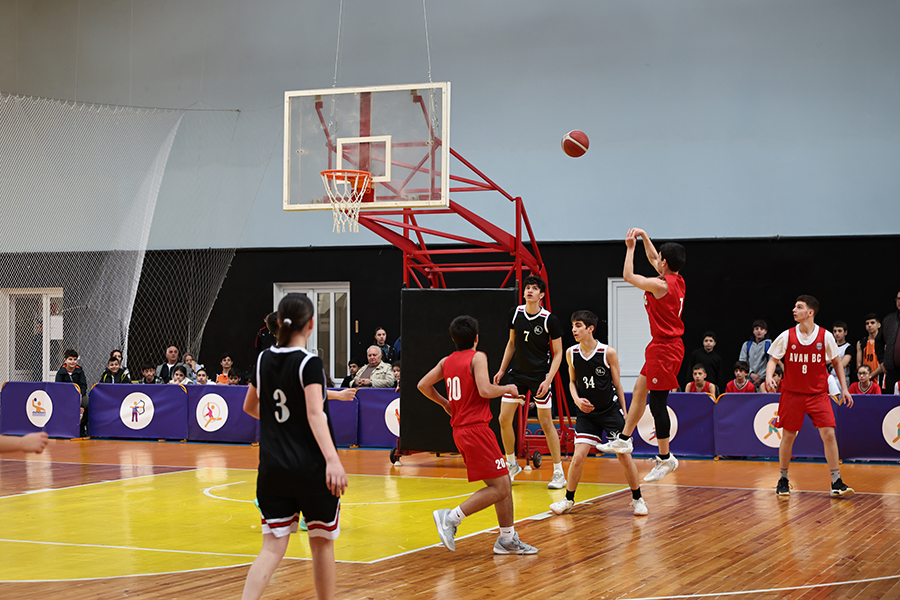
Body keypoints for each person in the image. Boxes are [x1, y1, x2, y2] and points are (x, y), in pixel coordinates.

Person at [241, 293, 347, 600]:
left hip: (273, 468)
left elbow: (249, 407)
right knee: (321, 543)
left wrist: (280, 424)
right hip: (311, 468)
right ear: (311, 324)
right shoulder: (309, 363)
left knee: (271, 548)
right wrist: (333, 460)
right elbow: (315, 414)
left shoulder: (263, 360)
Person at [419, 315, 538, 555]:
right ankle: (451, 518)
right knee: (501, 488)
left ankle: (507, 539)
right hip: (476, 430)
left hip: (463, 430)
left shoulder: (446, 361)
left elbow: (423, 385)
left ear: (453, 338)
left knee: (503, 483)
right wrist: (507, 388)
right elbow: (485, 390)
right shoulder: (478, 357)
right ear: (476, 338)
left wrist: (445, 403)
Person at [597, 229, 686, 485]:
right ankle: (624, 440)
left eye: (660, 258)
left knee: (657, 403)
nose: (656, 259)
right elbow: (653, 258)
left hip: (666, 349)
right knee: (638, 392)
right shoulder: (677, 280)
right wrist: (645, 236)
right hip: (660, 346)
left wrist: (630, 247)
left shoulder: (660, 285)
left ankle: (665, 458)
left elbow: (628, 276)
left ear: (665, 262)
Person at [550, 311, 647, 517]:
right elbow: (572, 382)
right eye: (573, 326)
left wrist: (625, 414)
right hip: (587, 414)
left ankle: (638, 499)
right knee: (578, 457)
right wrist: (576, 400)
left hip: (610, 411)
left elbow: (618, 385)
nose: (574, 329)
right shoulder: (571, 353)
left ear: (590, 328)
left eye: (578, 325)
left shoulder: (607, 352)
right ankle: (568, 500)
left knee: (624, 457)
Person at [767, 295, 854, 497]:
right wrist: (769, 376)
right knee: (788, 436)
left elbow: (837, 363)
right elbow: (773, 359)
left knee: (829, 434)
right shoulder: (787, 335)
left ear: (810, 312)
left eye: (799, 307)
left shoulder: (825, 336)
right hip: (792, 394)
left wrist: (844, 388)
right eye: (794, 306)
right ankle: (783, 479)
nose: (794, 310)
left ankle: (836, 481)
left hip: (818, 395)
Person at [493, 275, 566, 489]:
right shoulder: (515, 313)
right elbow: (511, 343)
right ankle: (511, 464)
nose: (529, 291)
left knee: (546, 423)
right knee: (503, 418)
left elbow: (558, 353)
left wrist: (548, 379)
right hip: (517, 375)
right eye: (527, 288)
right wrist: (502, 369)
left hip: (539, 376)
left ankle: (559, 472)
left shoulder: (549, 319)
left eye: (534, 288)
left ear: (541, 294)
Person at [56, 348, 89, 437]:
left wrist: (80, 395)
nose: (72, 362)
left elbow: (83, 385)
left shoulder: (80, 371)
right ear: (65, 360)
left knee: (87, 402)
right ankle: (62, 429)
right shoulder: (60, 373)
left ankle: (82, 426)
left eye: (75, 359)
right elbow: (58, 387)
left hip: (78, 396)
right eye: (70, 359)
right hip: (65, 398)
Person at [739, 320, 772, 390]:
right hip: (748, 379)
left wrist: (761, 377)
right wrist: (751, 374)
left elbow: (772, 363)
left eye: (761, 329)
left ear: (765, 331)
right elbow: (742, 362)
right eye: (757, 329)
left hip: (764, 380)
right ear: (753, 331)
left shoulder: (769, 345)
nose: (759, 331)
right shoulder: (747, 345)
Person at [880, 291, 900, 395]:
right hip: (892, 372)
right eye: (898, 299)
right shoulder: (889, 320)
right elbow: (879, 341)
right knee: (890, 402)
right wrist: (881, 361)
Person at [856, 314, 883, 386]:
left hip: (880, 378)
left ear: (879, 325)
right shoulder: (861, 343)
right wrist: (863, 374)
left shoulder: (884, 342)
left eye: (872, 323)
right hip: (865, 380)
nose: (869, 325)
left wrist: (870, 375)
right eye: (867, 323)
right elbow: (859, 363)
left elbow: (885, 364)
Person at [827, 321, 852, 395]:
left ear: (845, 332)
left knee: (841, 400)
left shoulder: (848, 347)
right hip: (830, 377)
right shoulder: (829, 346)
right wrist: (838, 360)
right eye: (835, 331)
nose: (837, 333)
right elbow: (823, 361)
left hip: (843, 378)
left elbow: (842, 364)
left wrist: (830, 361)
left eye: (839, 331)